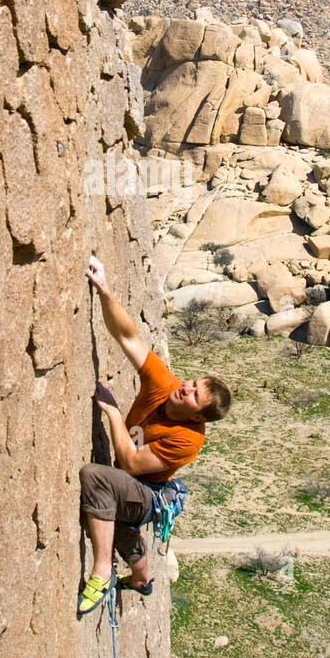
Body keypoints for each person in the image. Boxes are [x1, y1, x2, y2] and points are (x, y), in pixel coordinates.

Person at [78, 255, 231, 615]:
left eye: (194, 395)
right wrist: (104, 289)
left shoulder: (188, 440)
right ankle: (142, 579)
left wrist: (114, 415)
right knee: (123, 529)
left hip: (146, 492)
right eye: (192, 383)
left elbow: (131, 461)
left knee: (96, 479)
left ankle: (101, 573)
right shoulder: (165, 384)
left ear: (200, 416)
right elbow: (128, 336)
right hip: (133, 487)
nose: (186, 389)